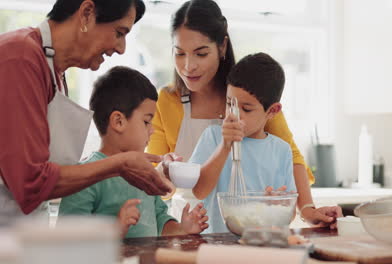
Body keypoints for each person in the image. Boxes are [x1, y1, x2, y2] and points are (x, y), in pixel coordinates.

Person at [147, 0, 342, 227]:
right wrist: (165, 171)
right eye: (180, 53)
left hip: (248, 228)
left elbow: (292, 159)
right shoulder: (167, 101)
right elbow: (158, 182)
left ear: (221, 47)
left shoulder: (253, 92)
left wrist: (307, 210)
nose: (188, 66)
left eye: (201, 54)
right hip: (189, 227)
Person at [0, 0, 173, 218]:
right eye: (119, 33)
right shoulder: (20, 58)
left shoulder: (55, 72)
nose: (121, 49)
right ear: (87, 13)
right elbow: (29, 182)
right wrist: (119, 164)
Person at [59, 66, 208, 238]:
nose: (152, 131)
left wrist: (182, 228)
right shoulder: (84, 177)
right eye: (146, 122)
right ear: (118, 121)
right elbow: (67, 240)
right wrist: (116, 229)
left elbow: (160, 220)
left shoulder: (144, 173)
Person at [189, 53, 295, 233]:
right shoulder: (214, 137)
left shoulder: (281, 150)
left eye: (246, 109)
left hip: (259, 243)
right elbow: (198, 191)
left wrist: (277, 205)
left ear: (272, 111)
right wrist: (225, 145)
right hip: (216, 245)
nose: (234, 114)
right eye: (230, 104)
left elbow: (290, 211)